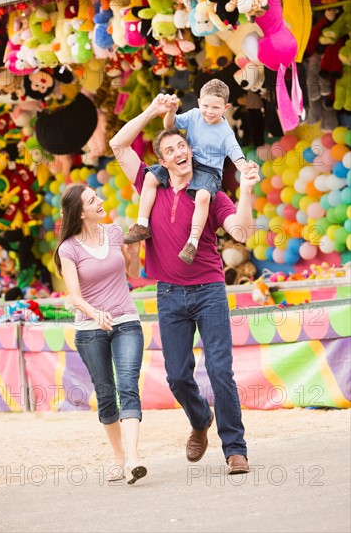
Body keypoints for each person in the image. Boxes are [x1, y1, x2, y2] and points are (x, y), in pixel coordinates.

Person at [110, 94, 260, 475]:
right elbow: (118, 144)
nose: (179, 151)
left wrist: (247, 188)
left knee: (220, 370)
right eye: (170, 148)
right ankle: (199, 420)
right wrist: (154, 112)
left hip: (209, 290)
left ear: (190, 152)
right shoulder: (150, 183)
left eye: (183, 146)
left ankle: (234, 448)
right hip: (169, 294)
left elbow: (242, 232)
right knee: (177, 375)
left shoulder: (212, 193)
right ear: (161, 161)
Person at [54, 183, 147, 485]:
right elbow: (75, 296)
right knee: (106, 394)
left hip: (126, 322)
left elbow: (132, 273)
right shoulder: (68, 249)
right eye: (93, 200)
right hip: (91, 330)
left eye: (98, 197)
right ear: (80, 212)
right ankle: (119, 456)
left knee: (128, 385)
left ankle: (133, 458)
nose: (101, 201)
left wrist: (134, 253)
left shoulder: (115, 233)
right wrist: (96, 314)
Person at [124, 80, 250, 265]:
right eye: (206, 106)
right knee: (150, 176)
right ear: (199, 103)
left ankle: (192, 242)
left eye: (216, 107)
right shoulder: (194, 115)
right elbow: (170, 126)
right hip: (188, 161)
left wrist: (245, 168)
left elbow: (236, 155)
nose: (209, 111)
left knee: (203, 197)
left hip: (209, 171)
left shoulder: (225, 133)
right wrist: (171, 111)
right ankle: (142, 224)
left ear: (226, 108)